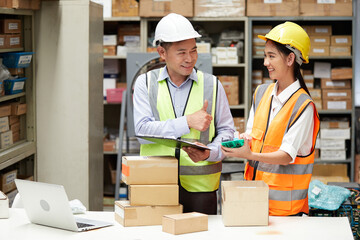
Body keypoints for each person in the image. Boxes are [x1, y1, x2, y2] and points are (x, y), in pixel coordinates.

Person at [133, 13, 234, 215]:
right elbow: (142, 130)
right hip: (156, 184)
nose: (190, 59)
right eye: (181, 52)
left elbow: (227, 132)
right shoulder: (145, 83)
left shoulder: (212, 84)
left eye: (193, 50)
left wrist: (211, 152)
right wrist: (187, 122)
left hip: (201, 188)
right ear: (162, 52)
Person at [221, 22, 320, 216]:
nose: (266, 62)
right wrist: (240, 141)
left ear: (290, 58)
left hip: (287, 212)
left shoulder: (303, 106)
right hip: (254, 202)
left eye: (271, 56)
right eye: (265, 55)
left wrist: (249, 155)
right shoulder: (261, 93)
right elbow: (252, 135)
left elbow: (286, 155)